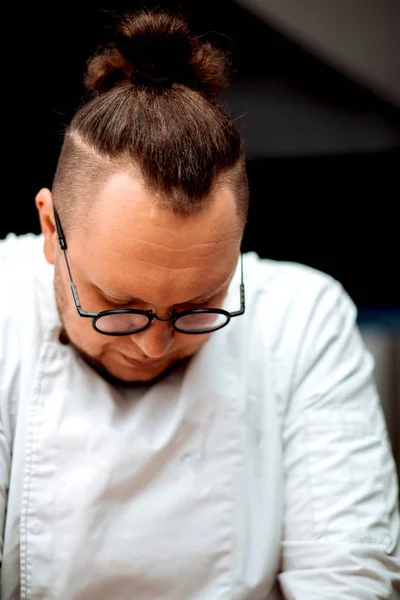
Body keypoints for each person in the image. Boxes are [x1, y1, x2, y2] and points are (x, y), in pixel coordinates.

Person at [0, 8, 399, 600]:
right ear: (50, 228)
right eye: (117, 304)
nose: (153, 343)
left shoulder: (302, 318)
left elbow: (348, 577)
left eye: (199, 304)